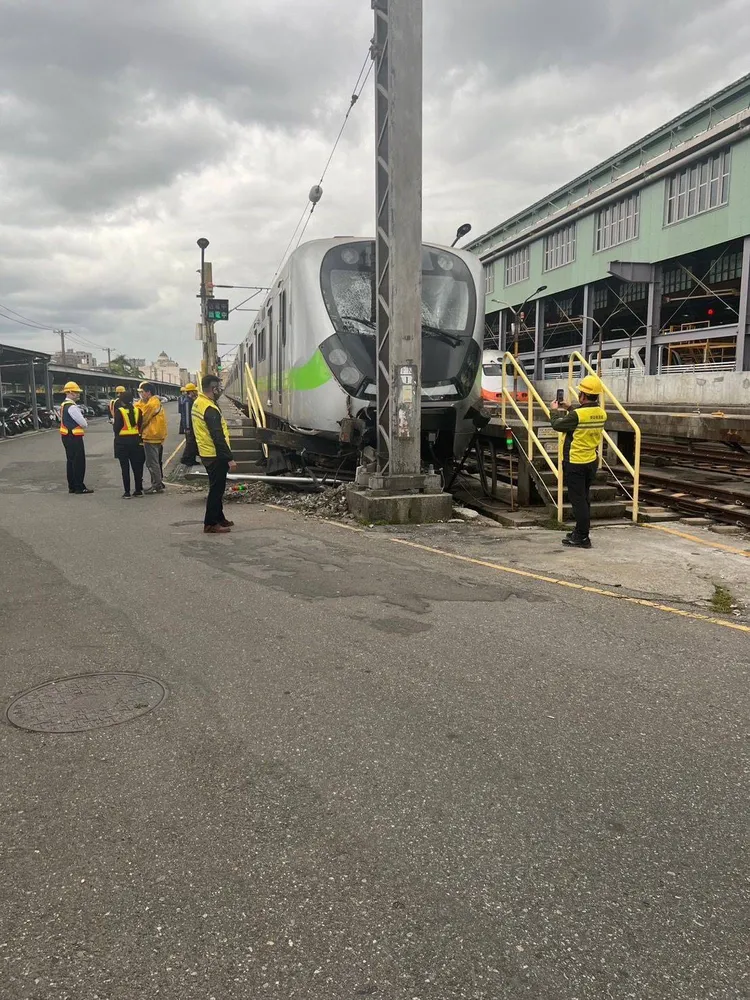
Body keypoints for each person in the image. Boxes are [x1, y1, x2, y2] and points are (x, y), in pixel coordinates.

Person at [549, 374, 607, 549]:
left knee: (578, 501)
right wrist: (570, 408)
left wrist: (553, 411)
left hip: (575, 462)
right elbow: (582, 416)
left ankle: (582, 537)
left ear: (583, 395)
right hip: (591, 461)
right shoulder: (601, 413)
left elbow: (558, 425)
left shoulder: (577, 415)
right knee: (584, 498)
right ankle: (580, 532)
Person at [192, 374, 237, 533]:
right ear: (213, 388)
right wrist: (229, 458)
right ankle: (210, 523)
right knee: (216, 490)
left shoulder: (199, 403)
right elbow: (218, 437)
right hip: (214, 454)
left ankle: (219, 517)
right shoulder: (210, 408)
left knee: (217, 487)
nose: (220, 390)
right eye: (219, 387)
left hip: (207, 452)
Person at [59, 381, 94, 494]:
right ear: (70, 393)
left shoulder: (63, 405)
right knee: (78, 462)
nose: (78, 395)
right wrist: (84, 421)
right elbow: (84, 424)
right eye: (76, 392)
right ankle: (79, 486)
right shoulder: (72, 407)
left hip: (66, 436)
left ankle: (72, 486)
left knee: (70, 462)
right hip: (74, 437)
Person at [112, 388, 145, 498]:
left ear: (121, 401)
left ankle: (127, 492)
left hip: (122, 442)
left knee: (125, 468)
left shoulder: (119, 411)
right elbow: (140, 426)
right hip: (135, 441)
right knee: (137, 467)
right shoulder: (138, 410)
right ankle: (138, 490)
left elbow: (116, 428)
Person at [138, 382, 167, 494]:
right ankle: (157, 483)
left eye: (143, 392)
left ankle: (156, 485)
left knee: (151, 462)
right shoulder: (156, 402)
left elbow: (144, 419)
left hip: (150, 435)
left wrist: (139, 431)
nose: (141, 395)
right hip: (158, 435)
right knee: (155, 461)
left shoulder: (151, 405)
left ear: (148, 392)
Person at [180, 383, 200, 466]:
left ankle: (191, 459)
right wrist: (187, 428)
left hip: (191, 426)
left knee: (191, 443)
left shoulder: (189, 400)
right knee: (190, 443)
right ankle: (187, 459)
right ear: (191, 392)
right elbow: (187, 416)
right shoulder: (188, 401)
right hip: (190, 426)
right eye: (194, 391)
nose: (196, 392)